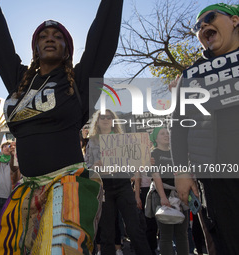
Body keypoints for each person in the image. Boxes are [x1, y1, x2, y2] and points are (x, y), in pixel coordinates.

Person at [0, 0, 123, 253]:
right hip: (27, 189)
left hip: (67, 187)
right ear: (35, 47)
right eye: (43, 36)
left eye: (58, 37)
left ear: (67, 49)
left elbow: (102, 36)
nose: (50, 39)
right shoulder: (20, 82)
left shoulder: (78, 81)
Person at [170, 3, 239, 254]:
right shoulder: (191, 75)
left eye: (209, 18)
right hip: (217, 176)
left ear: (234, 21)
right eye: (197, 27)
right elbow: (178, 126)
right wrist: (182, 172)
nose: (202, 27)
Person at [85, 109, 151, 255]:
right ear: (97, 120)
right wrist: (94, 166)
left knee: (135, 228)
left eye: (109, 117)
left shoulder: (122, 138)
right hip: (104, 187)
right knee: (107, 233)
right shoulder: (93, 140)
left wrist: (144, 159)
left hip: (123, 184)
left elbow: (135, 163)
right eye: (102, 117)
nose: (106, 119)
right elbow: (86, 165)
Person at [149, 127, 189, 255]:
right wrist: (162, 197)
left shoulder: (177, 153)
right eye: (162, 133)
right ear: (155, 138)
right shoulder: (153, 155)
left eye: (167, 133)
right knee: (166, 236)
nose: (166, 135)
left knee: (182, 234)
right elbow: (156, 176)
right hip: (163, 196)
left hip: (180, 196)